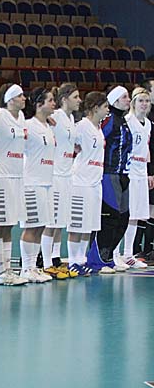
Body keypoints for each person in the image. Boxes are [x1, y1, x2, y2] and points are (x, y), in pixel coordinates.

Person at [0, 83, 28, 286]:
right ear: (10, 99)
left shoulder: (21, 118)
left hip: (17, 177)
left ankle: (8, 269)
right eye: (20, 96)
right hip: (1, 177)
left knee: (9, 225)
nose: (24, 99)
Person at [41, 84, 81, 279]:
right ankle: (46, 262)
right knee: (51, 221)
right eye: (75, 97)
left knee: (60, 221)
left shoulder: (71, 119)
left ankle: (55, 258)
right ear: (64, 99)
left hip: (67, 174)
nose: (79, 100)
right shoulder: (54, 116)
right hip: (54, 174)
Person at [18, 87, 56, 283]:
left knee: (41, 226)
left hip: (47, 182)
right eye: (50, 100)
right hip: (32, 183)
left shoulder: (49, 127)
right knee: (31, 226)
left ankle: (34, 267)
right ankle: (26, 268)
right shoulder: (28, 126)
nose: (54, 104)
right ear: (39, 104)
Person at [67, 92, 108, 275]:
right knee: (77, 224)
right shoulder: (82, 126)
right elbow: (68, 141)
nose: (107, 110)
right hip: (80, 181)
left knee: (88, 225)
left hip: (95, 182)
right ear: (95, 108)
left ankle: (81, 259)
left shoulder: (98, 128)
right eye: (105, 107)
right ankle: (72, 261)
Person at [95, 86, 131, 262]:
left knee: (124, 217)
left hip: (123, 174)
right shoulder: (109, 120)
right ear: (115, 101)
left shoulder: (123, 121)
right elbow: (99, 140)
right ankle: (101, 256)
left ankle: (108, 254)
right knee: (111, 217)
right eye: (125, 97)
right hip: (110, 173)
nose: (128, 100)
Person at [119, 87, 152, 269]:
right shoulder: (127, 121)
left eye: (147, 101)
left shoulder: (148, 124)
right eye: (140, 101)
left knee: (136, 215)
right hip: (129, 170)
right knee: (124, 213)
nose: (144, 104)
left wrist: (148, 172)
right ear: (133, 103)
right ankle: (114, 254)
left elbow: (146, 150)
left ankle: (128, 254)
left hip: (141, 171)